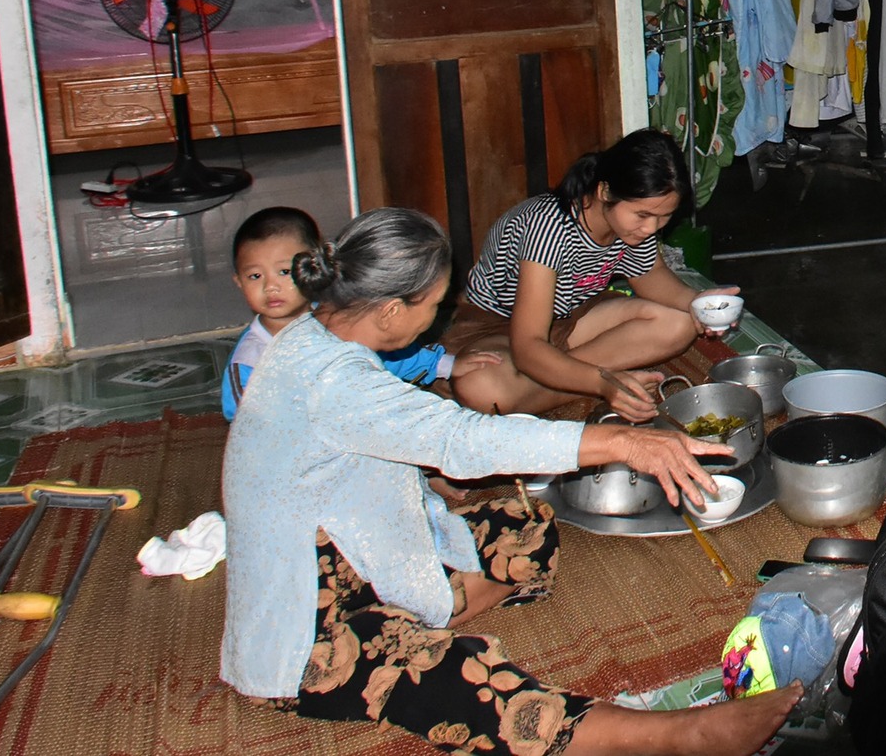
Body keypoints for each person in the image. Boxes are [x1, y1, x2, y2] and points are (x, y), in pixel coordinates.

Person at [221, 206, 799, 755]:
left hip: (353, 553)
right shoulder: (332, 380)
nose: (439, 319)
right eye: (437, 305)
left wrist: (419, 487)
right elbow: (462, 438)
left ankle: (425, 605)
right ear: (392, 310)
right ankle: (674, 739)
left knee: (523, 524)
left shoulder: (313, 338)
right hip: (305, 628)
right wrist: (624, 441)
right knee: (456, 675)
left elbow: (357, 452)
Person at [447, 130, 735, 421]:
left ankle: (554, 380)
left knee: (680, 324)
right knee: (481, 386)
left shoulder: (632, 224)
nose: (651, 228)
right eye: (643, 215)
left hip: (572, 316)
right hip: (501, 328)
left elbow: (650, 275)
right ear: (605, 191)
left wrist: (697, 303)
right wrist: (602, 382)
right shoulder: (548, 228)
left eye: (664, 217)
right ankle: (580, 380)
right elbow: (527, 346)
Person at [222, 206, 497, 420]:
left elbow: (388, 354)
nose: (270, 286)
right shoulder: (251, 361)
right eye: (255, 275)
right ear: (238, 281)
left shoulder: (335, 319)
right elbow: (249, 426)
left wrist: (443, 365)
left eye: (283, 272)